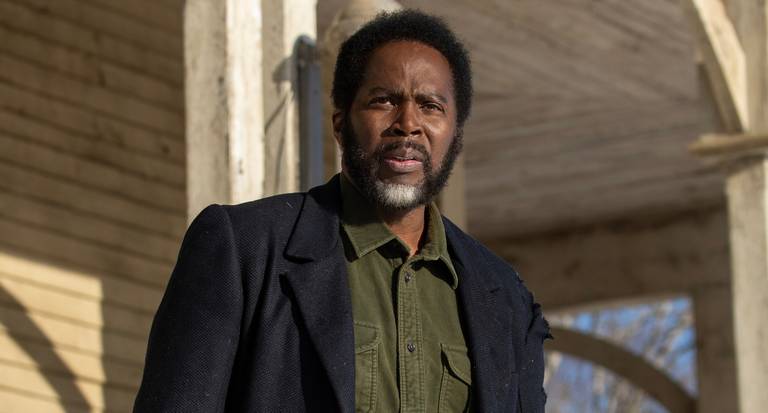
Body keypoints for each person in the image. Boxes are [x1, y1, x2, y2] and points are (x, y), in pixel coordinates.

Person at [134, 9, 550, 413]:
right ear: (340, 124)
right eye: (383, 100)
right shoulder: (244, 250)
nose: (408, 123)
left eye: (431, 105)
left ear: (455, 136)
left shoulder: (506, 297)